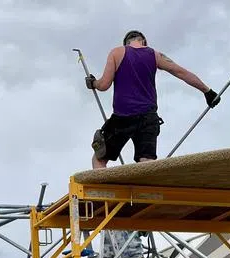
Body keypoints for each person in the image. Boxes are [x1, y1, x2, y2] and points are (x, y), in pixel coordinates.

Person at [85, 30, 220, 168]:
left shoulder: (117, 52)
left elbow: (104, 85)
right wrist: (207, 91)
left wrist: (93, 83)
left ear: (126, 42)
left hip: (122, 118)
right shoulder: (155, 55)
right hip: (148, 117)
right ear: (143, 41)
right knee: (147, 164)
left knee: (100, 158)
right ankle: (147, 189)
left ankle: (100, 189)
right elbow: (181, 72)